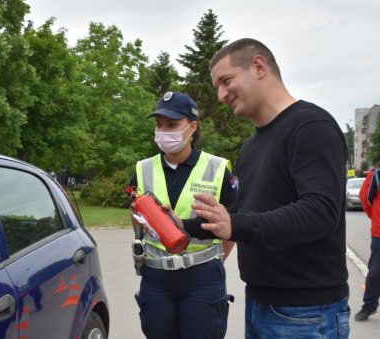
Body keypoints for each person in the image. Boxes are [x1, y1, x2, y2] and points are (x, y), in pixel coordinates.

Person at [192, 38, 350, 338]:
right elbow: (244, 211)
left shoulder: (311, 126)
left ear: (259, 66)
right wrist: (184, 225)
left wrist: (236, 223)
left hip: (306, 313)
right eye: (217, 88)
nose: (222, 95)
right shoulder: (252, 145)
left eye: (226, 81)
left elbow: (320, 211)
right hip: (260, 303)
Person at [128, 91, 238, 339]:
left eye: (172, 124)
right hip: (156, 278)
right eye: (159, 125)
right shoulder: (142, 169)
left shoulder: (217, 168)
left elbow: (232, 225)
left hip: (202, 277)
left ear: (192, 126)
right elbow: (135, 219)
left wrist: (215, 260)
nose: (163, 131)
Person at [357, 165, 380, 321]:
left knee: (376, 271)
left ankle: (369, 305)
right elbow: (365, 197)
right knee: (376, 271)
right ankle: (369, 305)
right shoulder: (376, 174)